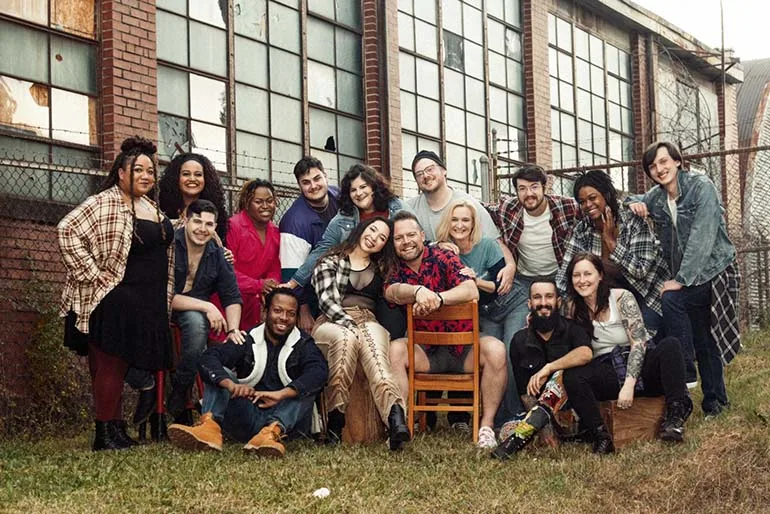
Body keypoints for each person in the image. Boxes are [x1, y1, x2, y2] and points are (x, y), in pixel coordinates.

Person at [59, 136, 174, 451]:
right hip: (114, 299)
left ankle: (116, 429)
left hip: (146, 303)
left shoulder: (150, 206)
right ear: (121, 173)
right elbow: (67, 231)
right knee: (109, 365)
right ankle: (103, 434)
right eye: (138, 170)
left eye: (151, 170)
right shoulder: (104, 201)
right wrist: (93, 275)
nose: (146, 176)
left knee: (121, 366)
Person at [529, 253, 691, 455]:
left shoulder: (621, 297)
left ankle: (674, 418)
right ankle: (600, 435)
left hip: (639, 365)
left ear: (600, 276)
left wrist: (629, 385)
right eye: (576, 275)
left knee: (670, 345)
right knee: (573, 376)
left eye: (588, 273)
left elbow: (639, 342)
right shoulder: (572, 308)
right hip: (606, 371)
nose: (582, 280)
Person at [626, 141, 740, 416]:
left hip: (715, 271)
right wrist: (635, 204)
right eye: (653, 166)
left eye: (664, 162)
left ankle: (686, 366)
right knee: (704, 335)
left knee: (673, 300)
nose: (659, 169)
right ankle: (715, 403)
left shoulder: (702, 187)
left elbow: (703, 236)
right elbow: (631, 198)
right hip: (690, 278)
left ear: (677, 162)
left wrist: (682, 279)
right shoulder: (657, 197)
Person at [407, 150, 516, 430]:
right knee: (437, 331)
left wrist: (511, 265)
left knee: (485, 345)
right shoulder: (414, 210)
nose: (426, 175)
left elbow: (496, 244)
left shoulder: (467, 204)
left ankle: (475, 419)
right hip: (444, 306)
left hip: (485, 303)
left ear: (443, 170)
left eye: (430, 169)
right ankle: (426, 417)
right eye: (419, 173)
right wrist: (436, 247)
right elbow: (408, 244)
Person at [386, 211, 508, 449]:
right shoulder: (394, 268)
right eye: (399, 238)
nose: (406, 241)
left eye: (411, 234)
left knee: (496, 349)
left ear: (423, 236)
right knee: (395, 350)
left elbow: (471, 291)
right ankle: (401, 424)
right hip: (425, 353)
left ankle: (486, 427)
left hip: (463, 350)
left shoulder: (444, 257)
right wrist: (417, 291)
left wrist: (438, 299)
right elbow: (391, 292)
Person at [168, 288, 328, 457]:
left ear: (296, 318)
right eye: (277, 311)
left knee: (306, 387)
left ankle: (271, 434)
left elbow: (319, 372)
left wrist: (281, 394)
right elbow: (209, 358)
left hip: (286, 422)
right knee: (220, 373)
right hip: (248, 415)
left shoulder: (304, 344)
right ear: (265, 312)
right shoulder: (248, 339)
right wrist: (232, 385)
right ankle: (209, 428)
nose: (283, 318)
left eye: (290, 313)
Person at [310, 216, 409, 449]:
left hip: (367, 320)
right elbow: (327, 302)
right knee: (344, 339)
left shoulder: (382, 268)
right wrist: (349, 325)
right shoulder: (331, 260)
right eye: (372, 230)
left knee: (376, 357)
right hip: (331, 321)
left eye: (382, 237)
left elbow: (412, 254)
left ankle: (395, 419)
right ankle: (336, 420)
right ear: (362, 229)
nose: (374, 238)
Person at [284, 165, 406, 333]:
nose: (359, 193)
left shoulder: (395, 207)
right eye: (353, 190)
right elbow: (322, 249)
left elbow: (414, 234)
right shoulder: (343, 217)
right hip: (356, 285)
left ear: (374, 187)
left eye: (363, 187)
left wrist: (437, 244)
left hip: (389, 279)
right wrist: (294, 281)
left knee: (393, 331)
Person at [435, 199, 524, 425]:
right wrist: (436, 245)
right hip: (484, 313)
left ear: (474, 223)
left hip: (510, 302)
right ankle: (498, 418)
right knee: (498, 354)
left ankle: (512, 416)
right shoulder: (444, 252)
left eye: (466, 220)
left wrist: (474, 280)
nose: (460, 225)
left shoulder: (487, 245)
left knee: (512, 348)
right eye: (454, 220)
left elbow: (496, 287)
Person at [556, 170, 669, 333]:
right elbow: (565, 272)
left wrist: (611, 242)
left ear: (607, 195)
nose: (588, 205)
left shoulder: (633, 222)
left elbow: (640, 270)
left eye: (592, 198)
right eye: (582, 201)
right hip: (605, 299)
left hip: (645, 294)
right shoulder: (582, 230)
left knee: (642, 336)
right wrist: (565, 300)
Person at [491, 277, 592, 459]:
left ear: (558, 302)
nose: (543, 303)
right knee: (506, 431)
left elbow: (585, 353)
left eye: (549, 297)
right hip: (539, 414)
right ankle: (534, 429)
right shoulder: (519, 340)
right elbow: (525, 394)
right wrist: (544, 427)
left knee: (562, 375)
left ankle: (520, 438)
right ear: (530, 303)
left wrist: (549, 368)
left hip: (573, 411)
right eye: (537, 298)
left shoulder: (572, 330)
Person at [164, 199, 244, 426]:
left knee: (200, 326)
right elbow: (164, 296)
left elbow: (232, 296)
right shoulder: (170, 245)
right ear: (186, 221)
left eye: (209, 224)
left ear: (215, 227)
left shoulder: (217, 254)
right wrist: (208, 306)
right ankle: (181, 389)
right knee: (199, 320)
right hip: (159, 309)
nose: (202, 229)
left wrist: (234, 329)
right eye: (197, 221)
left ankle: (181, 389)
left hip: (191, 313)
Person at [486, 163, 582, 334]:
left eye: (534, 187)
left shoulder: (566, 207)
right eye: (522, 188)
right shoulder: (509, 208)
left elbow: (598, 204)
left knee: (564, 329)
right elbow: (478, 210)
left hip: (558, 276)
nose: (529, 194)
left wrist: (633, 202)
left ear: (544, 187)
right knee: (519, 332)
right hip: (524, 279)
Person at [279, 157, 341, 332]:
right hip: (313, 293)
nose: (313, 186)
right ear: (299, 186)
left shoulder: (338, 196)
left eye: (317, 179)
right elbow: (291, 272)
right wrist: (303, 310)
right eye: (306, 182)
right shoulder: (294, 222)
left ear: (325, 177)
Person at [227, 179, 281, 330]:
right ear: (247, 203)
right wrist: (258, 285)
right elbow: (227, 270)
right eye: (258, 201)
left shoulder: (275, 231)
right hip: (230, 301)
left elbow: (274, 266)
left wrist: (271, 284)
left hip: (256, 304)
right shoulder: (233, 226)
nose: (265, 206)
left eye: (269, 201)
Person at [158, 152, 229, 241]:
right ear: (176, 177)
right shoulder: (161, 210)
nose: (192, 179)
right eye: (186, 174)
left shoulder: (217, 213)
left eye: (198, 174)